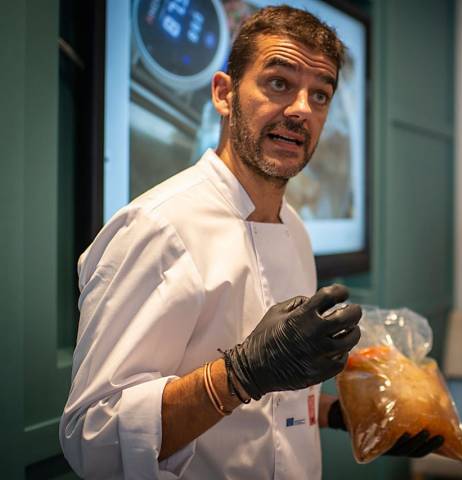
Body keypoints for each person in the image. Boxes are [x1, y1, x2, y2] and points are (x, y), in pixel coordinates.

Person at [60, 6, 441, 479]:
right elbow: (93, 438)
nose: (302, 109)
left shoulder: (296, 231)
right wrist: (238, 375)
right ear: (224, 93)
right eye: (279, 83)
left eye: (320, 95)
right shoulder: (157, 227)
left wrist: (352, 415)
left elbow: (273, 407)